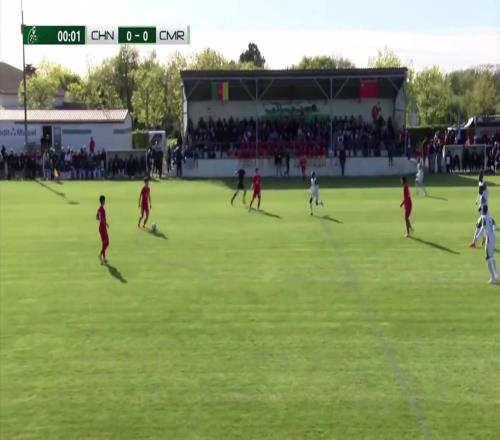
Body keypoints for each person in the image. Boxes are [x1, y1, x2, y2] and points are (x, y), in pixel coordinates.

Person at [473, 205, 498, 283]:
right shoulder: (490, 217)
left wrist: (476, 237)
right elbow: (495, 225)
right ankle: (497, 275)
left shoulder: (483, 217)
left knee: (487, 258)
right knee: (491, 257)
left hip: (489, 238)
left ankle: (493, 278)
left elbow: (483, 227)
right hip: (493, 237)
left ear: (482, 210)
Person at [469, 180, 488, 248]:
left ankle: (475, 241)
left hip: (484, 212)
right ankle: (478, 240)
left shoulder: (484, 194)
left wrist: (480, 207)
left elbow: (483, 202)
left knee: (480, 227)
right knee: (478, 226)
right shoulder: (484, 191)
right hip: (483, 211)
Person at [96, 195, 109, 264]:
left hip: (100, 228)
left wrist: (103, 222)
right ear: (103, 201)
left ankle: (104, 258)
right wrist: (105, 223)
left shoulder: (99, 209)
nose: (105, 201)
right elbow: (101, 219)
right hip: (103, 228)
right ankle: (100, 254)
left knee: (104, 243)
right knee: (107, 242)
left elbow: (97, 217)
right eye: (104, 200)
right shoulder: (102, 210)